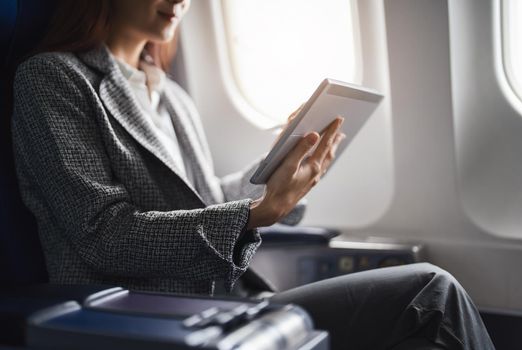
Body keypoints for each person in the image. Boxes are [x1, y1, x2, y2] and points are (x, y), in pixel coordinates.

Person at [10, 0, 494, 348]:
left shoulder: (170, 94)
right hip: (151, 316)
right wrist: (254, 214)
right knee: (431, 294)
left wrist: (276, 170)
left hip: (228, 299)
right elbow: (103, 234)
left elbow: (203, 197)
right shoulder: (53, 79)